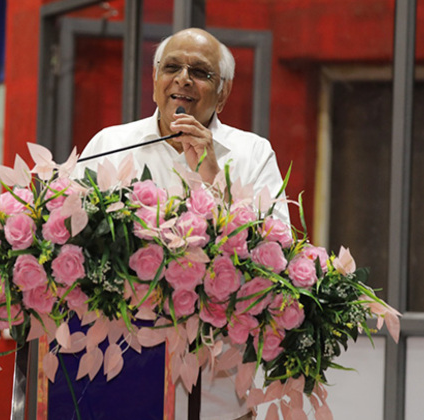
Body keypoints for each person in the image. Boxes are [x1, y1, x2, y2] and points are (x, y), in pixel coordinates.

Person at [75, 28, 288, 420]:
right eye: (171, 67)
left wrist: (211, 176)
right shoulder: (109, 144)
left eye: (200, 72)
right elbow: (68, 241)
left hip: (215, 390)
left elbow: (275, 255)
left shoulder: (252, 153)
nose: (183, 79)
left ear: (222, 92)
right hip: (116, 373)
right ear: (155, 81)